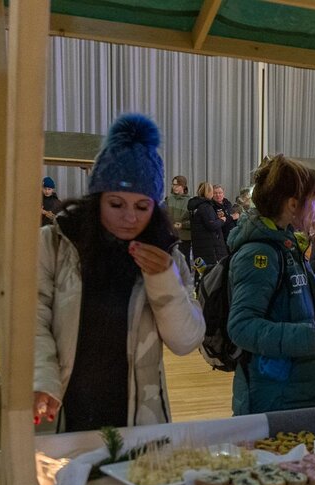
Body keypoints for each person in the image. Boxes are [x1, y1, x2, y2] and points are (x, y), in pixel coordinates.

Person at [32, 113, 204, 432]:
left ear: (156, 206)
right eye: (116, 204)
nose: (128, 218)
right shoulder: (56, 243)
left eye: (142, 207)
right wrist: (41, 378)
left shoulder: (167, 255)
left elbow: (186, 341)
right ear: (97, 198)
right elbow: (30, 317)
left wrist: (164, 281)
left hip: (137, 422)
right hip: (60, 410)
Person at [226, 156, 315, 414]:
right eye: (314, 201)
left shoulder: (287, 247)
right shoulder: (260, 255)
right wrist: (312, 339)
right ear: (293, 204)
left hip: (297, 391)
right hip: (272, 396)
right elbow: (242, 327)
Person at [189, 181, 227, 270]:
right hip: (209, 246)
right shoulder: (206, 207)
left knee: (200, 271)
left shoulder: (195, 206)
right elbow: (211, 225)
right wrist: (222, 220)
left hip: (198, 244)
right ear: (209, 192)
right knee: (210, 273)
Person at [164, 175, 191, 258]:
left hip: (184, 238)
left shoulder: (190, 201)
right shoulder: (168, 199)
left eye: (177, 185)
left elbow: (194, 222)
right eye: (173, 184)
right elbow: (163, 216)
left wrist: (182, 225)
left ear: (183, 186)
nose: (174, 187)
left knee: (184, 264)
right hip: (170, 237)